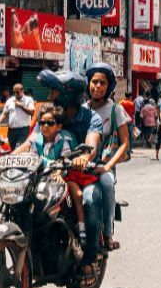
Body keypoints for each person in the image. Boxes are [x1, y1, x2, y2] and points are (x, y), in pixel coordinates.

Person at [9, 70, 106, 269]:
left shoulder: (91, 117)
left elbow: (92, 144)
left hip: (80, 173)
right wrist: (7, 158)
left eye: (54, 92)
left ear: (68, 95)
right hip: (48, 174)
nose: (50, 96)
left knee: (89, 198)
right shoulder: (48, 115)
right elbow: (29, 143)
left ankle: (89, 253)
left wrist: (83, 158)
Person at [86, 63, 130, 251]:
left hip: (105, 165)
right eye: (94, 82)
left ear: (109, 86)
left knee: (105, 184)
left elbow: (125, 144)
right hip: (82, 165)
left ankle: (108, 233)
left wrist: (107, 166)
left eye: (102, 83)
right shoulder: (82, 109)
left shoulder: (115, 110)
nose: (97, 86)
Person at [30, 107, 88, 242]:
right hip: (42, 177)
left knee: (78, 194)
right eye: (42, 123)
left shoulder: (63, 139)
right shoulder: (36, 140)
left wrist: (59, 173)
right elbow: (32, 158)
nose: (45, 126)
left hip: (64, 175)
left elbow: (65, 160)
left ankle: (81, 227)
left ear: (58, 126)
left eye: (49, 123)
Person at [0, 83, 36, 151]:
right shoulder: (10, 100)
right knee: (13, 149)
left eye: (17, 92)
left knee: (19, 148)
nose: (16, 94)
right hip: (11, 130)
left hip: (23, 130)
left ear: (22, 91)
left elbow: (32, 112)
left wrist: (20, 105)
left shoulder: (28, 100)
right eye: (14, 92)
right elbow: (4, 113)